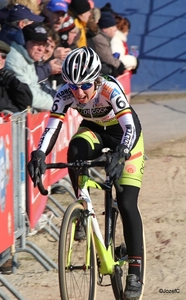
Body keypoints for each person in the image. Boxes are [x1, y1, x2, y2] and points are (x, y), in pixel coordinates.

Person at [27, 47, 145, 300]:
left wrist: (122, 154)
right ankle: (82, 207)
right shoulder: (65, 93)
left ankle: (135, 269)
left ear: (96, 79)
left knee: (126, 202)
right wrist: (38, 154)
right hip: (94, 129)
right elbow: (52, 127)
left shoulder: (109, 89)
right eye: (72, 86)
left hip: (126, 137)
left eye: (84, 85)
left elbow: (130, 127)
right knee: (75, 150)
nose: (78, 93)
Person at [5, 22, 55, 111]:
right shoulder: (14, 59)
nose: (41, 49)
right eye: (36, 43)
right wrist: (56, 104)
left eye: (43, 44)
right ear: (23, 41)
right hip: (11, 118)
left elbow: (35, 87)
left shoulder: (28, 57)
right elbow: (29, 95)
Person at [0, 38, 32, 121]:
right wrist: (15, 111)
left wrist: (14, 83)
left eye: (3, 56)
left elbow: (26, 103)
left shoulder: (5, 76)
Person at [88, 11, 125, 77]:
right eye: (113, 27)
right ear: (105, 29)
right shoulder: (100, 40)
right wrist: (120, 64)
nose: (116, 29)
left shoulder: (104, 38)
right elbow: (108, 60)